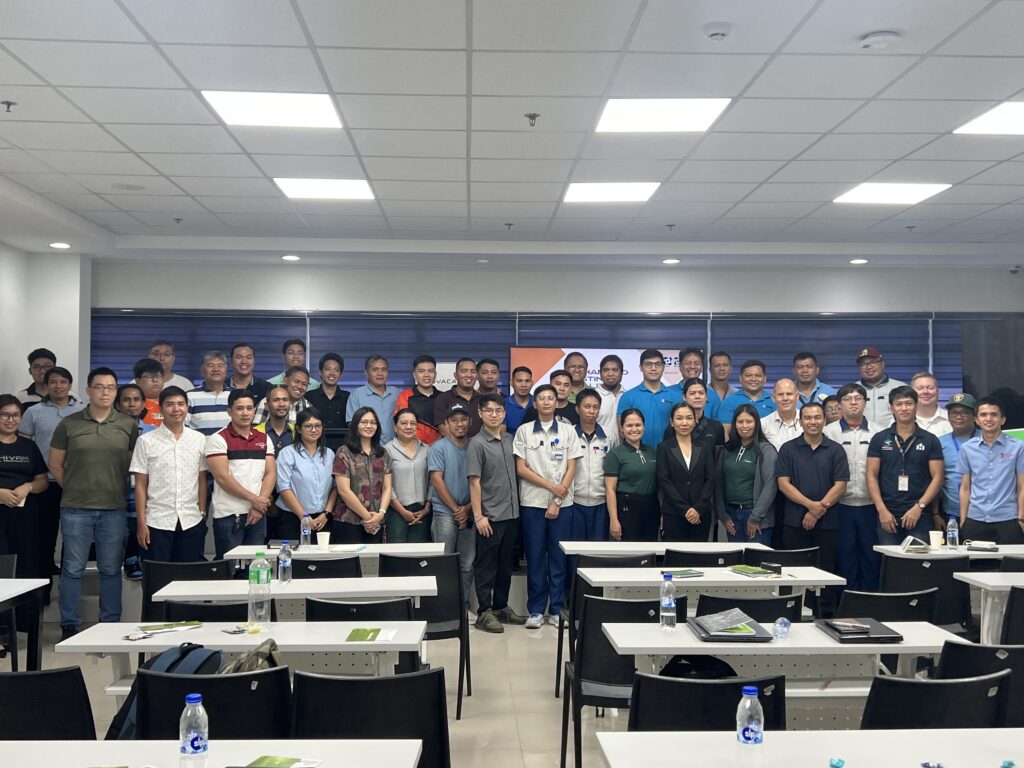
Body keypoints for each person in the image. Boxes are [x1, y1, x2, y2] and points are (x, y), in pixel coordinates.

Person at [50, 367, 139, 638]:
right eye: (99, 386)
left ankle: (109, 624)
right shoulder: (69, 423)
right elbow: (55, 464)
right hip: (75, 507)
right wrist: (77, 488)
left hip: (113, 507)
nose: (105, 392)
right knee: (73, 568)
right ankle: (69, 624)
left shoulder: (127, 425)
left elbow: (133, 464)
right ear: (88, 390)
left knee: (111, 568)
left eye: (111, 387)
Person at [513, 384, 582, 629]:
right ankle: (535, 611)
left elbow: (572, 467)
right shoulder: (523, 431)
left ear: (556, 402)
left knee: (557, 558)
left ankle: (555, 610)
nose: (546, 402)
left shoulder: (568, 431)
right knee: (534, 557)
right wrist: (551, 488)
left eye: (550, 398)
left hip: (563, 505)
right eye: (541, 398)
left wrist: (556, 499)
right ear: (535, 403)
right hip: (532, 502)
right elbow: (521, 469)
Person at [775, 402, 849, 616]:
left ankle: (824, 616)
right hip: (794, 522)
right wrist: (810, 507)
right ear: (801, 421)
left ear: (824, 421)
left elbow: (841, 485)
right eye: (808, 418)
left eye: (817, 417)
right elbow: (783, 484)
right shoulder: (788, 449)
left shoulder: (835, 449)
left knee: (825, 572)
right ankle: (793, 614)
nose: (813, 422)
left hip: (828, 523)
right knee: (794, 573)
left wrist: (818, 510)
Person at [130, 386, 209, 563]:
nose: (176, 409)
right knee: (157, 581)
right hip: (157, 522)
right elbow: (141, 485)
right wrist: (141, 523)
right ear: (160, 408)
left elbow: (202, 480)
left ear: (187, 407)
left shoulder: (199, 439)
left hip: (191, 520)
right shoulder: (145, 441)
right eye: (170, 404)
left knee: (186, 580)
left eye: (181, 404)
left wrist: (202, 513)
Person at [18, 366, 83, 580]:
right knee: (44, 536)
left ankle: (68, 580)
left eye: (63, 381)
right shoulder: (33, 412)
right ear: (46, 385)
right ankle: (43, 586)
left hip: (75, 483)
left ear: (70, 385)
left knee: (73, 537)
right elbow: (25, 447)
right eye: (53, 382)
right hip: (45, 482)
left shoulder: (83, 412)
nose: (58, 386)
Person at [469, 394, 525, 632]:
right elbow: (474, 482)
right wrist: (479, 516)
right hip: (490, 517)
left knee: (505, 566)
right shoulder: (476, 444)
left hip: (511, 514)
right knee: (486, 566)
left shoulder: (509, 439)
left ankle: (501, 607)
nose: (494, 414)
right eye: (489, 410)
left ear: (504, 414)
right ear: (480, 414)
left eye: (498, 410)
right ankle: (484, 612)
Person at [866, 386, 944, 546]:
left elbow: (937, 477)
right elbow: (871, 476)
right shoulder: (880, 439)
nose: (904, 408)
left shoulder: (930, 440)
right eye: (899, 404)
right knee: (890, 564)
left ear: (916, 406)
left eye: (908, 403)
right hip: (888, 514)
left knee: (919, 565)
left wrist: (919, 507)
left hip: (920, 514)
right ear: (891, 408)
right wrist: (882, 510)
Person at [823, 383, 882, 592]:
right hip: (840, 506)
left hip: (870, 505)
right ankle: (845, 606)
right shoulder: (828, 433)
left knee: (871, 557)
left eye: (858, 398)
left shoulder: (879, 432)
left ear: (866, 402)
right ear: (840, 404)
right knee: (844, 557)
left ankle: (869, 603)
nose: (853, 402)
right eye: (848, 399)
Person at [206, 390, 276, 559]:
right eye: (239, 408)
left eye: (249, 408)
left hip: (258, 513)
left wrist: (259, 505)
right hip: (229, 515)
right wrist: (255, 500)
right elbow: (222, 478)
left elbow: (270, 473)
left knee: (255, 567)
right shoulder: (218, 439)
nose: (245, 413)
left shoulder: (264, 438)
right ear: (229, 411)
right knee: (230, 568)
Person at [0, 394, 48, 602]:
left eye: (15, 415)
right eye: (4, 415)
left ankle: (21, 625)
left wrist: (28, 486)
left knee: (25, 565)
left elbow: (43, 480)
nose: (10, 420)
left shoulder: (29, 446)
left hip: (25, 516)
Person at [957, 397, 1024, 544]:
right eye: (983, 415)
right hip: (975, 519)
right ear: (976, 420)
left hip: (1008, 519)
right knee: (974, 566)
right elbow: (965, 487)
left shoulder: (1018, 447)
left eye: (994, 414)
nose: (989, 419)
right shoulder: (967, 448)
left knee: (1011, 566)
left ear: (1003, 420)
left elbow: (1022, 486)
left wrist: (1021, 519)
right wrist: (963, 520)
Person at [430, 404, 476, 610]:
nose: (459, 424)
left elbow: (481, 481)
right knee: (445, 562)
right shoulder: (438, 447)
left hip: (471, 512)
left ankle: (463, 608)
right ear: (446, 424)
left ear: (470, 421)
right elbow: (437, 481)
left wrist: (466, 509)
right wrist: (457, 510)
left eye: (463, 419)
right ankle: (445, 609)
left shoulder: (476, 446)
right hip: (444, 512)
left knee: (467, 563)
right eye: (454, 420)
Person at [715, 404, 777, 545]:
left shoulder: (765, 450)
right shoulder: (726, 450)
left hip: (756, 516)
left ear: (756, 424)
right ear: (734, 424)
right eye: (740, 422)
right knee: (736, 564)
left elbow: (770, 485)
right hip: (731, 515)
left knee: (756, 563)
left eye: (749, 421)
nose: (744, 426)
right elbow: (718, 484)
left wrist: (756, 517)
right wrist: (723, 514)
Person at [274, 407, 336, 543]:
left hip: (322, 519)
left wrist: (327, 513)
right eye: (308, 426)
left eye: (317, 426)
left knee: (323, 560)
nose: (314, 430)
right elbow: (283, 487)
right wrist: (304, 516)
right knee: (294, 561)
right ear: (298, 429)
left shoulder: (330, 454)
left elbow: (335, 486)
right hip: (292, 518)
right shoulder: (287, 453)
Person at [332, 406, 392, 544]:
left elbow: (387, 488)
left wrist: (381, 514)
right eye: (364, 422)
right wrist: (367, 517)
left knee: (373, 564)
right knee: (349, 565)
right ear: (355, 425)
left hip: (376, 520)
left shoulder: (383, 454)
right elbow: (343, 491)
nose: (369, 426)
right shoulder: (344, 452)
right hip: (348, 521)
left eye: (373, 422)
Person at [657, 402, 715, 542]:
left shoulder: (705, 447)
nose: (684, 423)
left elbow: (711, 479)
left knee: (698, 560)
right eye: (679, 418)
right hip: (674, 514)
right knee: (675, 560)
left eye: (689, 418)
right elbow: (664, 480)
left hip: (701, 514)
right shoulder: (664, 448)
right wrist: (686, 510)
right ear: (672, 422)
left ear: (695, 421)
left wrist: (698, 509)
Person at [604, 408, 659, 541]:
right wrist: (614, 520)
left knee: (650, 552)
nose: (634, 429)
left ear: (644, 427)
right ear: (622, 429)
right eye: (629, 426)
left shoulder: (653, 452)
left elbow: (660, 486)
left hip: (651, 507)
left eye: (638, 425)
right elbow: (610, 489)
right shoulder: (615, 454)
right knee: (629, 554)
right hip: (627, 508)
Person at [115, 383, 151, 579]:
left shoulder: (153, 430)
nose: (131, 404)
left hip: (146, 485)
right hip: (117, 484)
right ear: (118, 405)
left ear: (144, 403)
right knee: (124, 526)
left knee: (141, 520)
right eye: (126, 400)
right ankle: (128, 560)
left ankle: (141, 559)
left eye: (136, 400)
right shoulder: (110, 429)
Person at [571, 388, 616, 544]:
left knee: (598, 550)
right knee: (574, 550)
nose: (592, 411)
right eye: (587, 406)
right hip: (574, 502)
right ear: (577, 409)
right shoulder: (568, 434)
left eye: (596, 407)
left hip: (601, 503)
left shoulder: (610, 436)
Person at [253, 385, 296, 541]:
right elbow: (254, 470)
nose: (281, 404)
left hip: (290, 501)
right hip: (262, 500)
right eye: (276, 400)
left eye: (285, 400)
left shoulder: (296, 432)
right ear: (267, 405)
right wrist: (268, 500)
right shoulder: (256, 432)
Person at [384, 409, 432, 543]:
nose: (409, 427)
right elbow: (386, 484)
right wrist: (402, 511)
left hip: (422, 511)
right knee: (397, 555)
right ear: (395, 426)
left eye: (413, 423)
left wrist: (427, 507)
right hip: (397, 511)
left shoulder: (427, 449)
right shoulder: (386, 450)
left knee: (420, 557)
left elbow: (432, 481)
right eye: (404, 423)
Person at [616, 348, 680, 441]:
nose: (653, 368)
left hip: (668, 453)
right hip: (637, 453)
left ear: (663, 367)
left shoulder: (675, 397)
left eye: (657, 364)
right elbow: (622, 432)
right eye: (648, 364)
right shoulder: (628, 397)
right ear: (641, 367)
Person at [938, 393, 980, 522]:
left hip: (983, 512)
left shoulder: (986, 439)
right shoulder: (940, 443)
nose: (958, 417)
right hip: (951, 512)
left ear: (974, 416)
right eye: (954, 413)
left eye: (965, 413)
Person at [347, 356, 401, 443]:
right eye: (375, 369)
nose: (380, 373)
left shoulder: (397, 393)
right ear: (366, 373)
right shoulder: (356, 394)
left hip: (396, 448)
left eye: (384, 369)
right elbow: (352, 425)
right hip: (369, 450)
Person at [663, 378, 725, 448]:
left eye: (701, 393)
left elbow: (719, 456)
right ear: (684, 397)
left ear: (706, 396)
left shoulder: (716, 427)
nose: (697, 396)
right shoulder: (674, 427)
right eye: (692, 393)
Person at [306, 353, 349, 450]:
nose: (332, 373)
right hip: (314, 449)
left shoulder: (348, 397)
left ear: (340, 374)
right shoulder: (309, 397)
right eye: (328, 369)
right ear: (321, 372)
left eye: (336, 370)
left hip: (342, 451)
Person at [394, 355, 440, 445]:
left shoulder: (443, 397)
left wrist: (435, 446)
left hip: (440, 449)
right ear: (414, 375)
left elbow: (448, 427)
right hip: (413, 449)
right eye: (421, 371)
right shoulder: (405, 396)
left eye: (430, 371)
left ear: (435, 374)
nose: (426, 375)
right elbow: (401, 425)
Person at [856, 347, 905, 429]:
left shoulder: (900, 388)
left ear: (882, 364)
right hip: (861, 438)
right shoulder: (852, 390)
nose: (868, 367)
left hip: (892, 437)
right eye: (863, 364)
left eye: (873, 362)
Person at [186, 351, 233, 436]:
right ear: (202, 371)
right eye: (210, 365)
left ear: (226, 371)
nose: (216, 369)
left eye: (220, 366)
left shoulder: (235, 395)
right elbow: (182, 428)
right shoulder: (189, 397)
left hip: (230, 448)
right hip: (200, 448)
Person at [434, 358, 482, 438]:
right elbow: (443, 430)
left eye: (473, 371)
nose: (469, 375)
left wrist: (476, 447)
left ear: (477, 375)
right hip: (452, 448)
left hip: (480, 449)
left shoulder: (483, 400)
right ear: (456, 375)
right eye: (464, 371)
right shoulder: (443, 399)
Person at [718, 359, 776, 424]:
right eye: (748, 375)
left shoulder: (774, 401)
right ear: (740, 378)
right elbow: (725, 432)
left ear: (765, 378)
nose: (753, 379)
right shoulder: (729, 402)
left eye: (758, 375)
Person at [760, 378, 802, 450]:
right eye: (780, 394)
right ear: (773, 398)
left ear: (797, 396)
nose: (785, 398)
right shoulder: (763, 424)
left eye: (789, 394)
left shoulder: (808, 421)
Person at [912, 372, 951, 437]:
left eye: (930, 388)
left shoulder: (951, 419)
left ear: (937, 391)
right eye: (920, 388)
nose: (925, 392)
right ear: (912, 393)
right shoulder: (900, 420)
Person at [131, 358, 165, 430]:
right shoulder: (132, 405)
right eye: (150, 376)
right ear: (138, 381)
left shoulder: (171, 403)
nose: (155, 380)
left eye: (158, 376)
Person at [595, 354, 624, 438]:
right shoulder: (592, 396)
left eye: (615, 370)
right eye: (606, 370)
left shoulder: (629, 396)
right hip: (599, 448)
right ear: (600, 373)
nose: (610, 374)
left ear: (622, 373)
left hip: (624, 449)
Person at [706, 351, 736, 421]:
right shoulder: (701, 393)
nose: (721, 368)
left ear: (730, 369)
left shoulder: (737, 394)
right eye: (717, 365)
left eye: (725, 365)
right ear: (710, 370)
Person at [504, 366, 534, 434]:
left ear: (532, 383)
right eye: (519, 381)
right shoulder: (503, 404)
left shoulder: (539, 403)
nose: (523, 385)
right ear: (512, 383)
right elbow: (502, 437)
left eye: (527, 381)